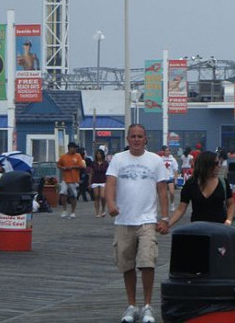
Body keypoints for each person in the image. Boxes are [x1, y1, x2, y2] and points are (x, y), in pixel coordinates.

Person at [105, 124, 169, 323]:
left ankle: (148, 306)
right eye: (132, 136)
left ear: (146, 139)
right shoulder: (118, 159)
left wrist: (165, 218)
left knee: (147, 262)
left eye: (140, 136)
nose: (136, 139)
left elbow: (162, 190)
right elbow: (110, 183)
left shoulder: (155, 161)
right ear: (127, 139)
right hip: (124, 220)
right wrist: (111, 203)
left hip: (147, 220)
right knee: (127, 265)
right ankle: (132, 305)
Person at [168, 151, 234, 227]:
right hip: (198, 229)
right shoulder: (191, 184)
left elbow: (231, 204)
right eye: (216, 164)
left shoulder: (223, 182)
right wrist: (168, 224)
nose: (219, 166)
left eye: (219, 163)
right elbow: (181, 209)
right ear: (206, 165)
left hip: (219, 229)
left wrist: (228, 221)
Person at [56, 142, 85, 219]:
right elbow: (58, 164)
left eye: (76, 148)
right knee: (63, 194)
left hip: (74, 179)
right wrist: (63, 168)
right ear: (69, 148)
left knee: (73, 196)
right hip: (65, 179)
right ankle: (64, 210)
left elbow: (82, 166)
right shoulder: (63, 157)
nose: (75, 149)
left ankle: (73, 211)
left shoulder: (78, 156)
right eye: (74, 148)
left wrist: (73, 167)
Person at [160, 146, 179, 211]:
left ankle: (172, 203)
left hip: (170, 177)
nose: (167, 152)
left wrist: (176, 179)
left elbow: (175, 169)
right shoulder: (161, 159)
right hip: (163, 178)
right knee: (164, 194)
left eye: (168, 150)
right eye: (166, 150)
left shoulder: (172, 159)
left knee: (172, 192)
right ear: (163, 151)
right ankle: (165, 206)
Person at [90, 149, 108, 218]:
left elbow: (108, 173)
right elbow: (91, 173)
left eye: (100, 154)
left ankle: (103, 209)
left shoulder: (106, 163)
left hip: (103, 180)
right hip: (95, 180)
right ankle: (97, 212)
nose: (99, 155)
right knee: (96, 196)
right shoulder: (93, 163)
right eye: (97, 154)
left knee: (103, 196)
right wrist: (89, 182)